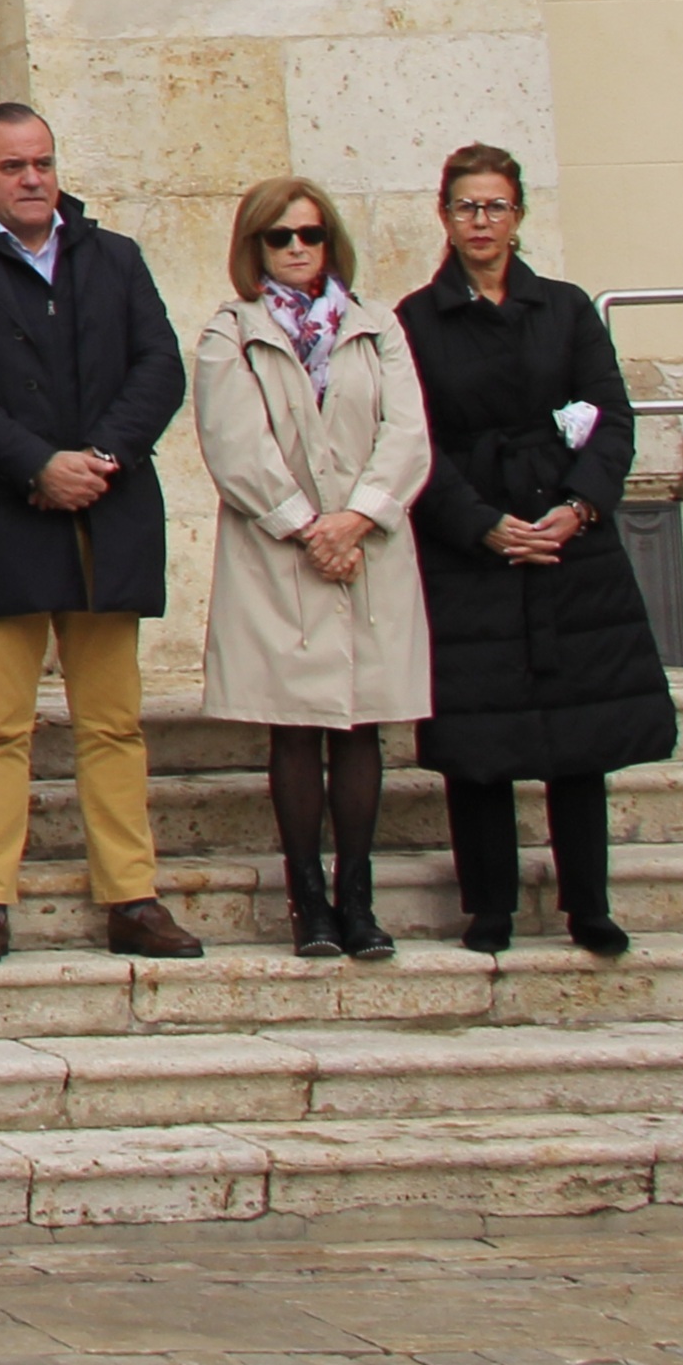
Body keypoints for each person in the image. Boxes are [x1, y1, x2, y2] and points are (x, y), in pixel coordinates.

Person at [0, 100, 195, 963]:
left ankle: (131, 896)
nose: (31, 180)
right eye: (11, 167)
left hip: (107, 513)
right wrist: (38, 465)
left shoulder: (115, 259)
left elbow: (160, 365)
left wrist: (98, 457)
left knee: (112, 721)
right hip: (1, 515)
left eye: (41, 163)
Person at [397, 144, 675, 958]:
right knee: (479, 735)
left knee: (577, 729)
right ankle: (489, 908)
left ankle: (586, 902)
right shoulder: (413, 320)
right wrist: (475, 521)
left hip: (566, 540)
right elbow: (412, 439)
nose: (480, 223)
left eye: (494, 207)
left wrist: (579, 505)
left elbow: (610, 413)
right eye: (465, 208)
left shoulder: (565, 308)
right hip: (471, 543)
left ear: (518, 215)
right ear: (442, 215)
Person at [191, 173, 432, 963]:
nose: (297, 250)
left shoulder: (376, 326)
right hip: (279, 554)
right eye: (280, 237)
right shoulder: (232, 331)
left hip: (367, 549)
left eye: (310, 234)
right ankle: (308, 898)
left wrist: (357, 517)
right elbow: (234, 444)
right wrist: (306, 525)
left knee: (361, 724)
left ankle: (357, 896)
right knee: (294, 727)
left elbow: (406, 433)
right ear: (253, 246)